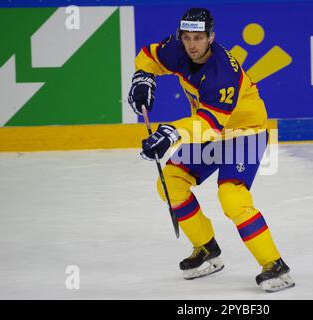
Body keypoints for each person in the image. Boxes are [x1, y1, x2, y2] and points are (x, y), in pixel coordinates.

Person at [128, 8, 294, 292]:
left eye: (199, 38)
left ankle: (275, 265)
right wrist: (143, 77)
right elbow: (149, 56)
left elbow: (211, 123)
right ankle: (206, 249)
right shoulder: (177, 50)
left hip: (245, 133)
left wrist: (171, 132)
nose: (192, 45)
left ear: (211, 37)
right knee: (170, 182)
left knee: (232, 196)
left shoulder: (222, 73)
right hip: (209, 129)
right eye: (187, 37)